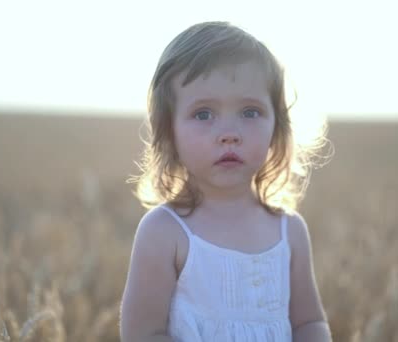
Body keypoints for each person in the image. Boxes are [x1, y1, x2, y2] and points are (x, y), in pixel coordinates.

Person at [120, 21, 332, 341]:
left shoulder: (290, 231)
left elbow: (309, 323)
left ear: (277, 127)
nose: (230, 133)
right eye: (204, 114)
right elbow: (143, 333)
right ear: (169, 131)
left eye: (250, 112)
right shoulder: (165, 232)